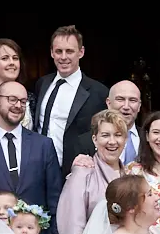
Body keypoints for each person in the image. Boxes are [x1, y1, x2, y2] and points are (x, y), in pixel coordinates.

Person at [0, 80, 63, 212]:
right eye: (12, 99)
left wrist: (53, 233)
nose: (18, 105)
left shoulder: (44, 145)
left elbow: (55, 196)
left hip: (38, 230)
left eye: (23, 101)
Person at [31, 25, 109, 168]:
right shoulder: (42, 84)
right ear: (51, 53)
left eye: (70, 51)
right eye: (59, 51)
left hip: (74, 171)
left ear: (81, 52)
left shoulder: (98, 92)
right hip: (38, 168)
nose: (63, 57)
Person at [56, 110, 128, 234]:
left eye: (118, 135)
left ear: (125, 139)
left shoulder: (130, 176)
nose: (112, 141)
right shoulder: (83, 172)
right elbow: (72, 229)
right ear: (95, 139)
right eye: (105, 135)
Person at [104, 79, 144, 164]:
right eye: (120, 99)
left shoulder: (150, 138)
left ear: (139, 106)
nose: (126, 106)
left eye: (132, 100)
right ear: (109, 103)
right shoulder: (87, 142)